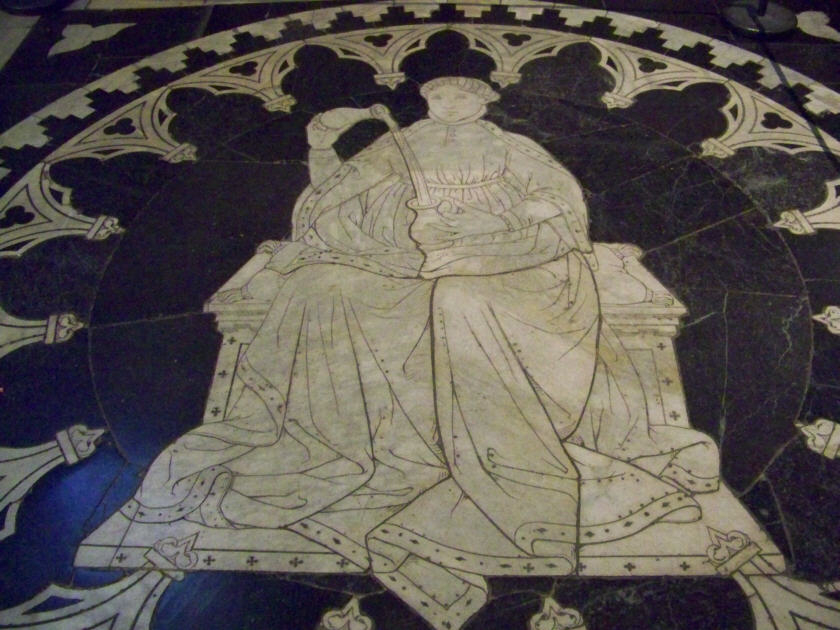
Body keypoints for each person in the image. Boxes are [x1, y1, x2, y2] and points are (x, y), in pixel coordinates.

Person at [121, 77, 718, 630]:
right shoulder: (399, 144)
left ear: (483, 103)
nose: (450, 104)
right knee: (321, 289)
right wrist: (326, 152)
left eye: (463, 96)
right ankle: (341, 444)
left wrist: (483, 229)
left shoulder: (511, 148)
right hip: (407, 263)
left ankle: (490, 463)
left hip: (514, 268)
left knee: (459, 297)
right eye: (440, 96)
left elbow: (558, 212)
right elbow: (332, 203)